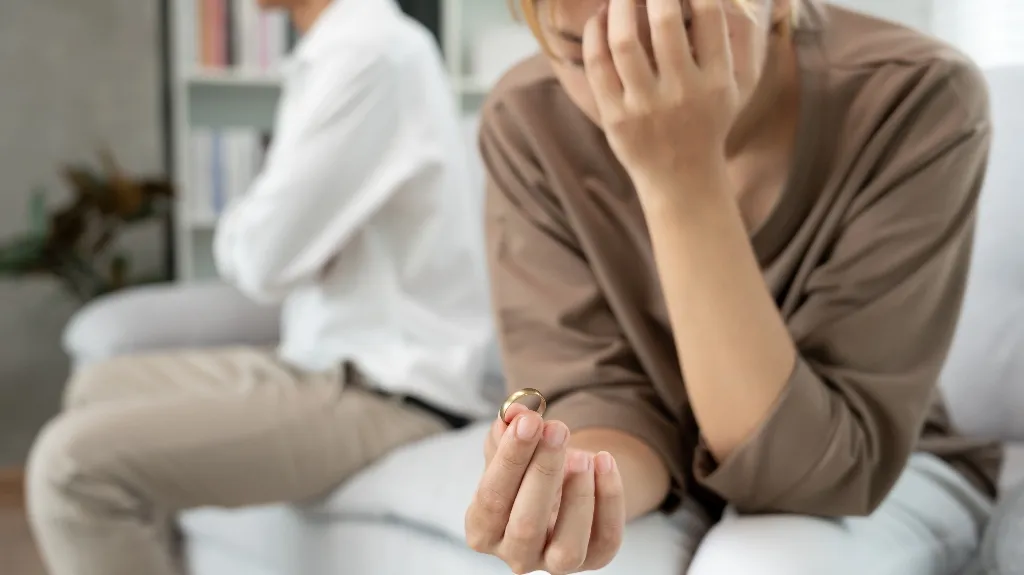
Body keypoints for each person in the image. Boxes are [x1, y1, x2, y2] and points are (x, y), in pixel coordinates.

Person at [464, 0, 1004, 573]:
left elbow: (818, 471)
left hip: (876, 475)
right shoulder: (528, 117)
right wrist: (574, 482)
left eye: (680, 34)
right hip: (666, 469)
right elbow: (599, 396)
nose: (635, 89)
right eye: (580, 53)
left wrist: (681, 173)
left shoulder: (914, 95)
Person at [26, 1, 493, 574]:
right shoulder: (335, 52)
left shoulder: (371, 54)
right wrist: (268, 232)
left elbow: (263, 261)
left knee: (70, 469)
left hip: (392, 390)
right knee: (97, 386)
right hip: (319, 362)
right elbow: (269, 248)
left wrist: (261, 229)